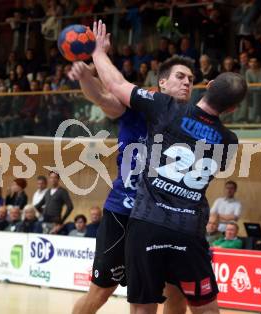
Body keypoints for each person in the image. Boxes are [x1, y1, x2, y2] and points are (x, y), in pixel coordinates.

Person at [91, 20, 245, 314]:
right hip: (190, 229)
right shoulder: (229, 140)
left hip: (147, 224)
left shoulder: (166, 107)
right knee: (205, 308)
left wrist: (99, 52)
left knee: (143, 308)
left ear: (208, 86)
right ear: (232, 109)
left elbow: (115, 85)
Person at [68, 43, 197, 314]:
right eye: (180, 76)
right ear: (162, 83)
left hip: (164, 217)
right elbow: (103, 97)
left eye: (191, 79)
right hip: (123, 214)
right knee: (100, 292)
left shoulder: (191, 121)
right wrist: (84, 77)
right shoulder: (137, 110)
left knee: (175, 292)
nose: (187, 82)